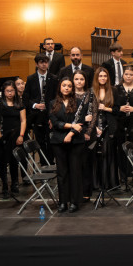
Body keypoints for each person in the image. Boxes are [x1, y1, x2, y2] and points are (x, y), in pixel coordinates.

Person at [50, 77, 87, 213]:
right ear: (60, 87)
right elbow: (55, 123)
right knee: (62, 173)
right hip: (58, 142)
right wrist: (71, 126)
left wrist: (70, 134)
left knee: (75, 172)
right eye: (64, 85)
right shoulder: (52, 103)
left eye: (69, 86)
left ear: (72, 89)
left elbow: (81, 123)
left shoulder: (78, 103)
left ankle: (74, 202)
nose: (66, 88)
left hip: (75, 141)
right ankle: (63, 202)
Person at [24, 53, 57, 163]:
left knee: (51, 140)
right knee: (40, 141)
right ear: (37, 64)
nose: (44, 65)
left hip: (49, 115)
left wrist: (52, 116)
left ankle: (51, 163)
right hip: (37, 116)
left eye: (46, 62)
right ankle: (43, 163)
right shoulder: (31, 78)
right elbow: (26, 98)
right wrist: (35, 105)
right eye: (41, 62)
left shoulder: (53, 78)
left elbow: (56, 98)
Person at [0, 80, 26, 199]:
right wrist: (0, 137)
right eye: (7, 91)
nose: (10, 93)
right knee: (2, 163)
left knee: (14, 161)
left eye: (12, 90)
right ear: (4, 91)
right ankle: (4, 186)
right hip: (3, 136)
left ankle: (14, 183)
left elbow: (23, 121)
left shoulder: (19, 103)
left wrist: (21, 135)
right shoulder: (0, 104)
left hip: (16, 135)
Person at [91, 67, 118, 192]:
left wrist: (106, 108)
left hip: (109, 127)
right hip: (95, 126)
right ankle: (97, 183)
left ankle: (109, 183)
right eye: (100, 76)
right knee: (96, 155)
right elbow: (89, 111)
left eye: (105, 76)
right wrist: (94, 127)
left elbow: (118, 110)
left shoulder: (113, 90)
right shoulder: (91, 91)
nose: (103, 78)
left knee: (108, 154)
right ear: (97, 78)